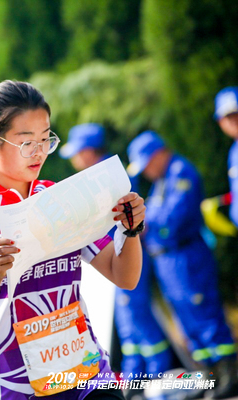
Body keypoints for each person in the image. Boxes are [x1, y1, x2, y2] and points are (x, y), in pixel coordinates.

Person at [0, 80, 146, 400]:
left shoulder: (58, 197)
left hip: (86, 374)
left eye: (45, 139)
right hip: (17, 386)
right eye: (26, 142)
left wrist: (131, 230)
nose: (39, 152)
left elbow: (124, 276)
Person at [61, 124, 174, 399]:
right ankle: (135, 380)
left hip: (125, 257)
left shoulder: (110, 179)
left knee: (137, 316)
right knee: (127, 322)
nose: (75, 160)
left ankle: (159, 376)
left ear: (89, 152)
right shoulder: (96, 178)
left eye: (77, 153)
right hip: (111, 258)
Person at [127, 130, 238, 400]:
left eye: (147, 164)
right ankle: (209, 377)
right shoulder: (162, 181)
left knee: (204, 315)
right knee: (187, 321)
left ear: (158, 154)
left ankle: (230, 375)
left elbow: (172, 218)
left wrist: (147, 221)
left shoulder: (180, 172)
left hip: (187, 257)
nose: (147, 172)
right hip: (167, 261)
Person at [215, 87, 238, 226]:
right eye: (228, 117)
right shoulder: (233, 153)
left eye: (236, 113)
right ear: (220, 122)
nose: (233, 120)